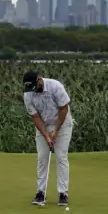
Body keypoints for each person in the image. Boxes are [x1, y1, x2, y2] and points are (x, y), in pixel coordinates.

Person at [23, 71, 73, 206]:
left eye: (34, 86)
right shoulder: (28, 94)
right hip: (44, 124)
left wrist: (55, 131)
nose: (33, 91)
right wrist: (46, 135)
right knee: (42, 157)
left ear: (39, 79)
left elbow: (64, 109)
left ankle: (63, 193)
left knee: (61, 156)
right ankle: (40, 193)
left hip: (62, 124)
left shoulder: (55, 86)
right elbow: (35, 117)